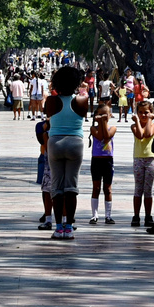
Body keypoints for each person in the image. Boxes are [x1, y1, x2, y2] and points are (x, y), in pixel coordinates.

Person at [44, 65, 90, 240]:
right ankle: (69, 226)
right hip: (75, 143)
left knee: (57, 186)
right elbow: (83, 115)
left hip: (55, 142)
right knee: (71, 186)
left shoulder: (51, 101)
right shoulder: (82, 100)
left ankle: (58, 228)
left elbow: (49, 117)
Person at [88, 102, 117, 225]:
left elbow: (107, 136)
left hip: (108, 160)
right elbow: (100, 136)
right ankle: (94, 215)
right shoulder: (93, 128)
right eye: (100, 115)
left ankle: (108, 215)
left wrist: (104, 122)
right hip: (96, 159)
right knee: (96, 187)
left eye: (105, 114)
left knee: (107, 188)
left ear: (110, 115)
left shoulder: (113, 128)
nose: (103, 117)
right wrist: (100, 122)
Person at [130, 100, 154, 228]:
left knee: (148, 189)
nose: (143, 115)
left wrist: (150, 120)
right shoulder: (134, 126)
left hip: (150, 159)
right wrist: (136, 121)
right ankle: (136, 215)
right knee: (138, 189)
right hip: (138, 159)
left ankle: (148, 215)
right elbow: (140, 135)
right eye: (140, 113)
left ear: (151, 113)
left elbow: (148, 133)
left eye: (146, 112)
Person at [35, 116, 54, 229]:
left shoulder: (61, 125)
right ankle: (47, 212)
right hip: (45, 158)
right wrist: (47, 128)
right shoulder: (40, 126)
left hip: (59, 158)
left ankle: (63, 214)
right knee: (46, 188)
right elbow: (41, 140)